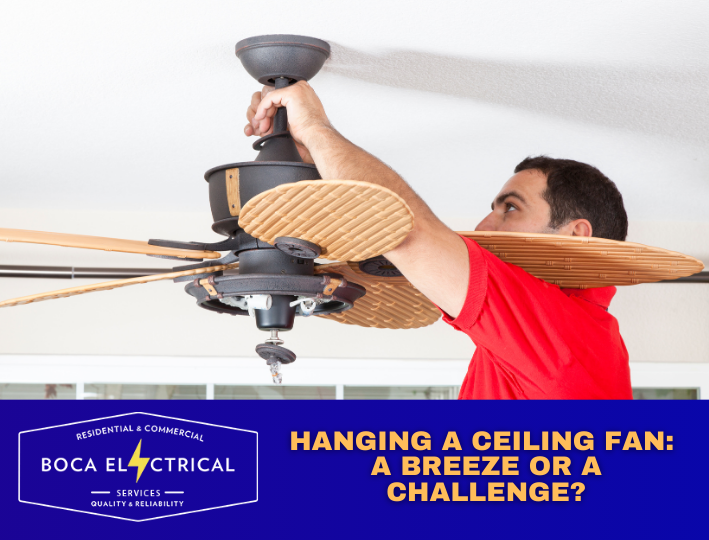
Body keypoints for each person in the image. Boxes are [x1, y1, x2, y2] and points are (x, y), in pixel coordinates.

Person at [244, 82, 632, 400]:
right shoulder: (564, 339)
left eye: (510, 209)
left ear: (576, 235)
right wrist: (311, 150)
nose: (484, 225)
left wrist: (315, 128)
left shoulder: (566, 333)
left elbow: (401, 230)